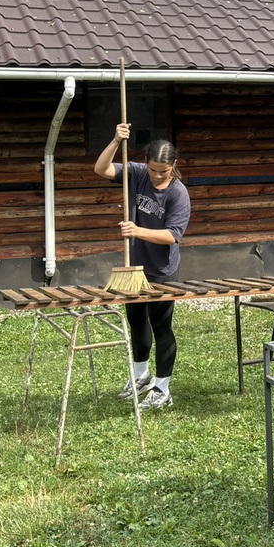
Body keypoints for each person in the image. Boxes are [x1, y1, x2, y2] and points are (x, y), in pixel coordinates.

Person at [93, 123, 191, 409]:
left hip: (162, 270)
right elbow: (101, 169)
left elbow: (172, 235)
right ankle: (141, 376)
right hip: (134, 267)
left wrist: (136, 231)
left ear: (174, 165)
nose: (157, 175)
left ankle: (162, 389)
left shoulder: (178, 193)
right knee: (136, 321)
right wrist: (115, 140)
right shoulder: (136, 173)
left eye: (164, 171)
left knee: (161, 326)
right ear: (145, 163)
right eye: (153, 170)